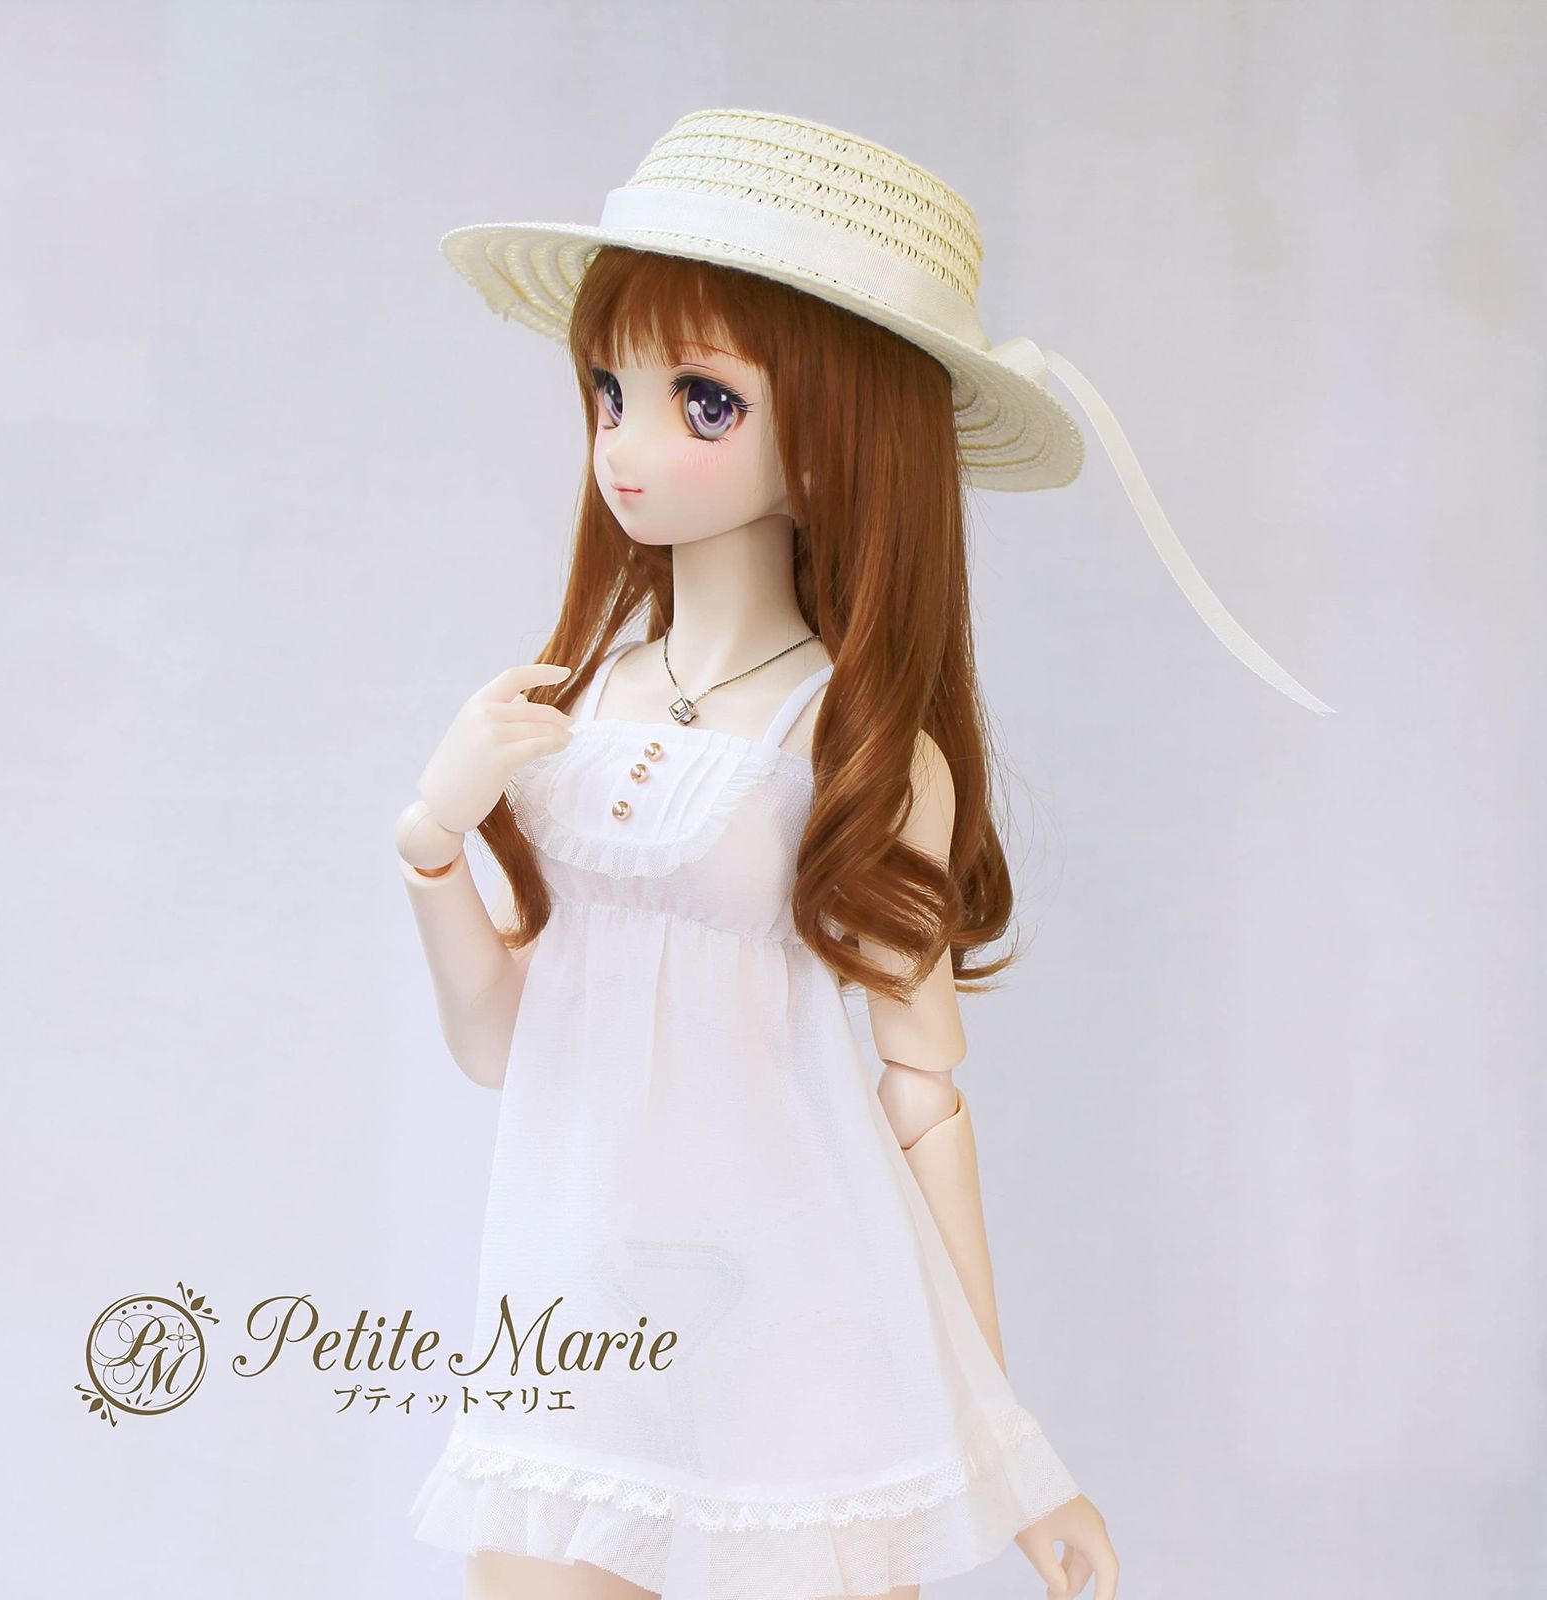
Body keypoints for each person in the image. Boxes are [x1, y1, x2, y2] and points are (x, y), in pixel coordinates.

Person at [396, 108, 1325, 1600]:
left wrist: (1010, 1455)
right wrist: (432, 846)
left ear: (840, 434)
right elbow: (509, 1046)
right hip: (572, 1331)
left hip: (798, 1334)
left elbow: (922, 1102)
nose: (625, 443)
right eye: (609, 389)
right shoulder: (563, 715)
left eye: (703, 401)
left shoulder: (862, 754)